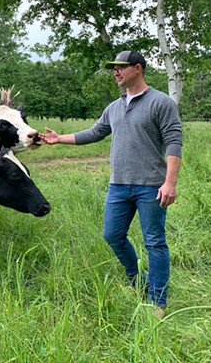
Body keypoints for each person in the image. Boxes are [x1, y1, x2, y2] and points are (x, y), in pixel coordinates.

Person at [41, 50, 182, 318]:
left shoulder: (161, 103)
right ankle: (139, 280)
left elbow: (174, 142)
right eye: (113, 69)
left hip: (151, 186)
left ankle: (158, 301)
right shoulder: (115, 107)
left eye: (120, 67)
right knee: (112, 235)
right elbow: (95, 132)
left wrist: (169, 183)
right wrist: (60, 139)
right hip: (118, 185)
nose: (115, 72)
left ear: (137, 68)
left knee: (154, 242)